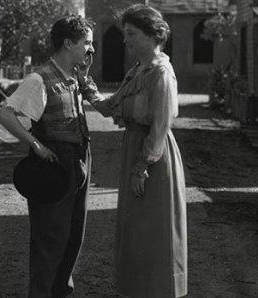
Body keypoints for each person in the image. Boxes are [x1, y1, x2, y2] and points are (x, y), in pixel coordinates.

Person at [77, 4, 188, 297]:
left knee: (153, 228)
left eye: (131, 34)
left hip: (154, 156)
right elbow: (112, 106)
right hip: (135, 149)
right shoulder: (138, 70)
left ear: (153, 35)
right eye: (125, 34)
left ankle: (159, 290)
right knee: (136, 228)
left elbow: (160, 127)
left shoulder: (161, 73)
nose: (125, 40)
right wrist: (85, 82)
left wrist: (142, 167)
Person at [0, 15, 95, 298]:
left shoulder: (74, 76)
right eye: (86, 43)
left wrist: (85, 75)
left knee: (73, 236)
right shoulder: (39, 79)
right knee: (50, 239)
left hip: (80, 158)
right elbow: (6, 115)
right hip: (55, 165)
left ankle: (59, 292)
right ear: (68, 43)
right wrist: (36, 145)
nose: (90, 49)